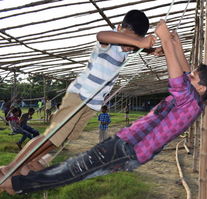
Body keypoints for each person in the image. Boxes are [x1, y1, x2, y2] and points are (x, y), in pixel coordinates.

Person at [0, 20, 207, 196]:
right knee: (62, 150)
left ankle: (17, 181)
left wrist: (164, 41)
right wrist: (175, 45)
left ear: (201, 88)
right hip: (119, 137)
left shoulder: (190, 102)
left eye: (193, 76)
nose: (187, 74)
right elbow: (183, 73)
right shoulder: (193, 98)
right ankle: (16, 175)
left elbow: (179, 79)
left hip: (129, 148)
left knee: (73, 167)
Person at [0, 10, 156, 178]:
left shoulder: (125, 52)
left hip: (91, 104)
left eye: (135, 43)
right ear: (119, 28)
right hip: (79, 97)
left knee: (65, 136)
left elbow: (132, 46)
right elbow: (101, 35)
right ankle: (10, 168)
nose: (130, 46)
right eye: (130, 39)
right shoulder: (109, 44)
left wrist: (151, 50)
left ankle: (33, 160)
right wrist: (139, 42)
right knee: (52, 136)